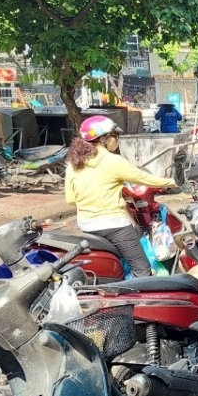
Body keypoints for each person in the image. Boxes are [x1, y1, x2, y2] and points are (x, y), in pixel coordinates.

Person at [65, 116, 175, 277]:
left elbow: (70, 199)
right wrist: (171, 182)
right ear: (104, 139)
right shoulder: (112, 161)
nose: (116, 139)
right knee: (142, 269)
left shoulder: (73, 164)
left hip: (85, 225)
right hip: (113, 225)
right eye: (114, 135)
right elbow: (142, 177)